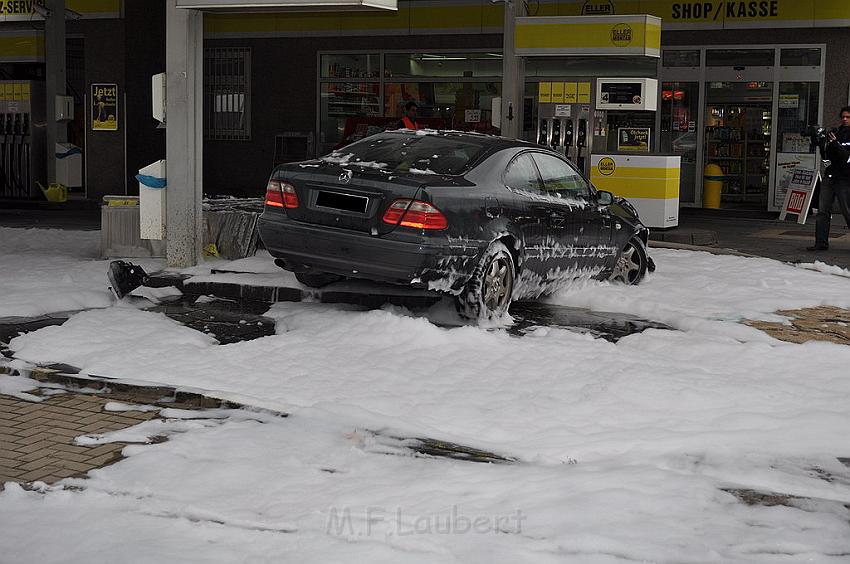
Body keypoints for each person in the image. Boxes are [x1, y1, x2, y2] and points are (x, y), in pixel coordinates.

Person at [808, 106, 850, 251]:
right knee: (822, 211)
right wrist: (821, 142)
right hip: (830, 176)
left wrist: (836, 144)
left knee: (847, 211)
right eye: (843, 116)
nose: (845, 119)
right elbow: (827, 157)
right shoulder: (835, 132)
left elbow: (847, 158)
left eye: (848, 117)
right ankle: (821, 243)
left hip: (845, 178)